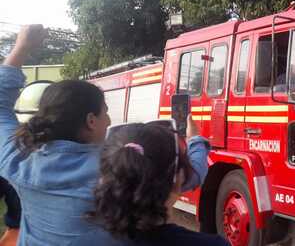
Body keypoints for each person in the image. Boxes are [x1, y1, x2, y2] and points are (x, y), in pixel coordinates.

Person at [0, 25, 210, 245]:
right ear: (91, 121)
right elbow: (191, 176)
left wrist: (20, 47)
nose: (109, 121)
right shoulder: (120, 168)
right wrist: (195, 140)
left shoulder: (19, 159)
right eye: (105, 112)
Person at [71, 117, 229, 246]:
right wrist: (195, 140)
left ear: (104, 178)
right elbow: (197, 172)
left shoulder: (80, 242)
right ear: (178, 179)